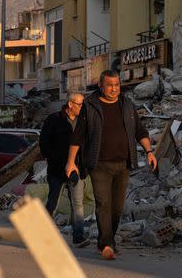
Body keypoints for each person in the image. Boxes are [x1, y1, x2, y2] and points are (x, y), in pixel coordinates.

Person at [65, 70, 157, 260]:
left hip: (123, 164)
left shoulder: (127, 104)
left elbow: (140, 131)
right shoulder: (90, 106)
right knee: (103, 204)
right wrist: (70, 163)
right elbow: (78, 136)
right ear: (101, 86)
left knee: (117, 207)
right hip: (99, 165)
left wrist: (149, 152)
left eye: (116, 85)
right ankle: (106, 244)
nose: (114, 89)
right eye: (109, 85)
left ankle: (108, 240)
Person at [39, 90, 89, 247]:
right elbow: (44, 144)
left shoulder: (83, 121)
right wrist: (59, 161)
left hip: (77, 170)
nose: (83, 107)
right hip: (57, 170)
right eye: (80, 104)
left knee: (78, 204)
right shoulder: (54, 120)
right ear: (70, 104)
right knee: (53, 202)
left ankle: (78, 237)